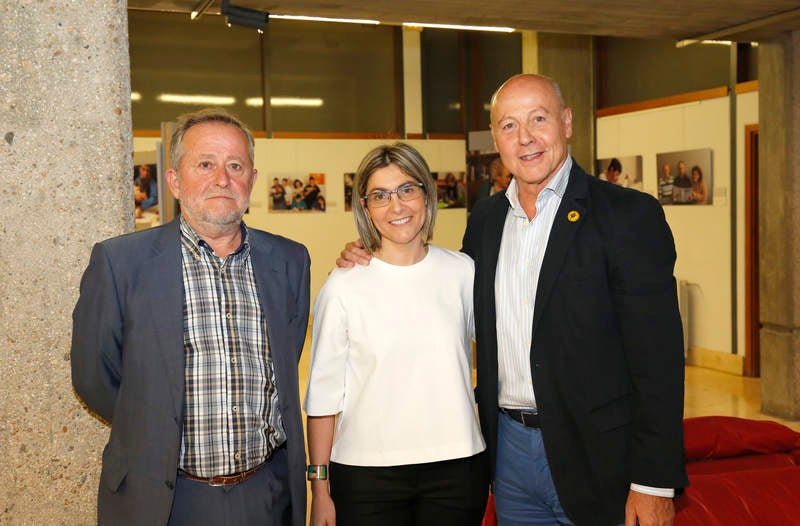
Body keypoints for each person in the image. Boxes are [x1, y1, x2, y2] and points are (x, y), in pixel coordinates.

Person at [337, 74, 687, 526]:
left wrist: (654, 481)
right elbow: (437, 295)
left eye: (538, 119)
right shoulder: (485, 222)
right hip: (510, 456)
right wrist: (369, 257)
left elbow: (658, 360)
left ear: (566, 122)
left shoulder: (627, 216)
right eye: (508, 126)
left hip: (600, 458)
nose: (525, 139)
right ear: (496, 141)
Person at [71, 108, 311, 526]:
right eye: (205, 164)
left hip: (266, 494)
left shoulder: (290, 261)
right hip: (166, 499)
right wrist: (154, 420)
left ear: (252, 180)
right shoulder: (120, 263)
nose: (223, 178)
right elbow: (94, 378)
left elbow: (287, 360)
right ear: (174, 180)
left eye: (235, 165)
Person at [305, 143, 488, 526]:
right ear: (366, 207)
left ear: (427, 194)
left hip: (457, 471)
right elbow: (323, 398)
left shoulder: (463, 273)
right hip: (366, 477)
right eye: (381, 196)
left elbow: (498, 358)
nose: (397, 206)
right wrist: (320, 489)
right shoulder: (343, 287)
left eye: (407, 189)